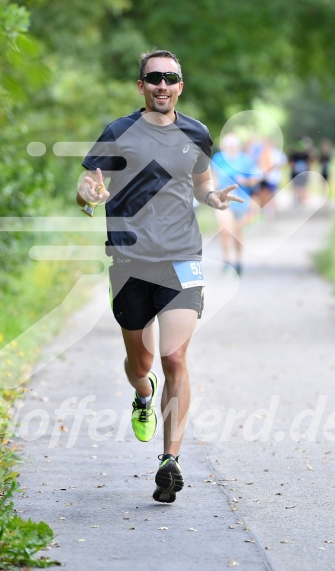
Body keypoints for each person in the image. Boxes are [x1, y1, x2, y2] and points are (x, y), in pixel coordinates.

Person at [77, 49, 243, 503]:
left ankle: (170, 460)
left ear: (180, 86)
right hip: (130, 262)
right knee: (143, 366)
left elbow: (201, 180)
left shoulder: (196, 132)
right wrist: (89, 195)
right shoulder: (118, 132)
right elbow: (86, 184)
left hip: (182, 258)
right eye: (154, 79)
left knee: (173, 357)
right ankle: (142, 394)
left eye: (170, 78)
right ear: (141, 86)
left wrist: (213, 199)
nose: (162, 85)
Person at [211, 133, 260, 275]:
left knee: (237, 233)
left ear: (238, 146)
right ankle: (226, 259)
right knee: (225, 230)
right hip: (223, 199)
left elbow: (255, 179)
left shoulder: (246, 160)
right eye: (228, 145)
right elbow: (213, 176)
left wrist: (246, 181)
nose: (231, 148)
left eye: (233, 145)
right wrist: (213, 187)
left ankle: (238, 261)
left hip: (240, 200)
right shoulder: (218, 158)